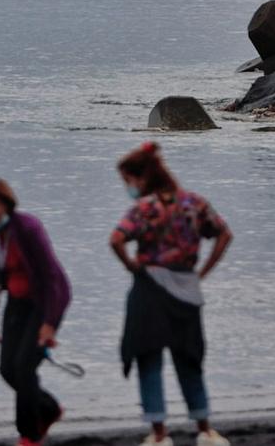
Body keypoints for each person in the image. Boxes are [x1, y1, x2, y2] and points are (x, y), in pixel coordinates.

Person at [109, 142, 234, 446]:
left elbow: (116, 239)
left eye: (128, 181)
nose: (128, 187)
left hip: (149, 289)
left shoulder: (145, 208)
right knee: (188, 359)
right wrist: (203, 271)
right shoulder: (194, 203)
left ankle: (159, 433)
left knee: (149, 359)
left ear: (140, 179)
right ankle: (204, 429)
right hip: (186, 290)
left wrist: (131, 265)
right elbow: (224, 234)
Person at [0, 178, 72, 446]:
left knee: (24, 367)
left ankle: (28, 435)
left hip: (45, 300)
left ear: (7, 204)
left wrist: (50, 323)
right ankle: (50, 408)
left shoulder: (28, 228)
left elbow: (51, 276)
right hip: (16, 302)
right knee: (8, 369)